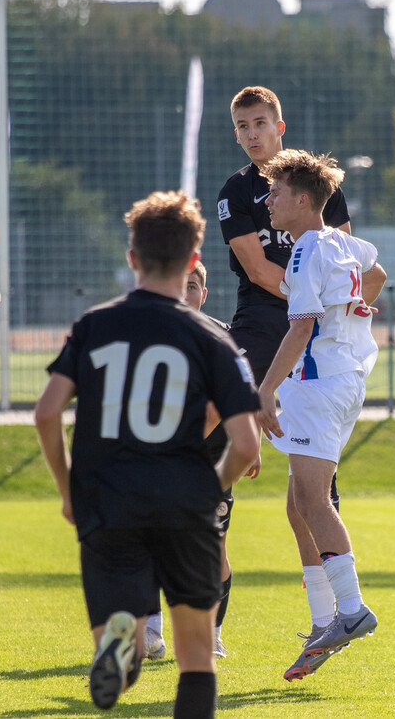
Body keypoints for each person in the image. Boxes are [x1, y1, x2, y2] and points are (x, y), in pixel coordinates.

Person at [34, 190, 261, 716]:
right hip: (185, 504)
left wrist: (70, 491)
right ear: (193, 261)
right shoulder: (214, 339)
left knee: (127, 637)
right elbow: (245, 443)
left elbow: (47, 413)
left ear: (132, 258)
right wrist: (208, 489)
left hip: (107, 503)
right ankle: (135, 653)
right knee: (197, 658)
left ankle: (122, 645)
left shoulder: (95, 325)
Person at [216, 85, 352, 647]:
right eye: (242, 126)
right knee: (208, 450)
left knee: (310, 496)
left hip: (311, 342)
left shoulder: (318, 188)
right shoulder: (236, 192)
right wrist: (311, 293)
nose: (251, 134)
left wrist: (322, 299)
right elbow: (257, 270)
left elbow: (351, 265)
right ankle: (187, 615)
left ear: (281, 125)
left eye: (260, 123)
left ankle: (328, 618)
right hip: (258, 334)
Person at [254, 149, 387, 681]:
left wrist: (265, 390)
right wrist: (354, 308)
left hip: (318, 382)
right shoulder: (339, 239)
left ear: (303, 200)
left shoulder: (307, 249)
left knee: (312, 499)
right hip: (346, 377)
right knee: (298, 504)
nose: (268, 201)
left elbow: (300, 328)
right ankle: (326, 620)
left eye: (277, 192)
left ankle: (350, 612)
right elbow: (375, 274)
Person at [144, 261, 251, 662]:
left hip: (211, 464)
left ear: (203, 294)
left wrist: (250, 440)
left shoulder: (222, 339)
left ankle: (213, 633)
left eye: (193, 286)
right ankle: (152, 630)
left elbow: (239, 398)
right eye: (178, 285)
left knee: (214, 550)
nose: (185, 293)